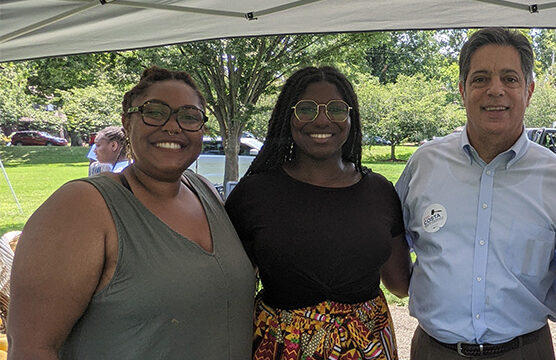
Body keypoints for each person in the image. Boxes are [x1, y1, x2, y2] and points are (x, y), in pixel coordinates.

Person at [7, 66, 256, 359]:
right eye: (155, 112)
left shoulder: (205, 190)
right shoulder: (81, 206)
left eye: (189, 116)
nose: (173, 126)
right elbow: (31, 348)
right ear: (127, 122)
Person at [395, 28, 556, 359]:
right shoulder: (424, 165)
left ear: (528, 91)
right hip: (435, 350)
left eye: (509, 79)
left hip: (526, 350)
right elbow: (391, 238)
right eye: (480, 78)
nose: (495, 90)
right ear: (462, 89)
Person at [224, 66, 410, 360]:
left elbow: (399, 284)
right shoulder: (254, 193)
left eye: (336, 109)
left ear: (351, 118)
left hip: (368, 347)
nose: (322, 119)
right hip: (280, 347)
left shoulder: (379, 191)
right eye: (306, 109)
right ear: (288, 116)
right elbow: (230, 288)